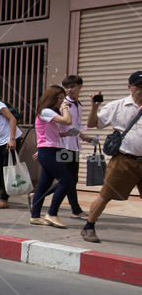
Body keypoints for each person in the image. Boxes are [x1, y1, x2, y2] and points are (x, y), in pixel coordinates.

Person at [81, 71, 142, 243]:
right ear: (130, 87)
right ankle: (89, 227)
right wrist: (94, 107)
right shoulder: (118, 105)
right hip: (123, 160)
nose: (141, 90)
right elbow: (93, 124)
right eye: (139, 87)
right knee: (106, 195)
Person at [41, 75, 93, 218]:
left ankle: (39, 195)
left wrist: (83, 137)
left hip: (74, 145)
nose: (69, 90)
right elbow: (56, 125)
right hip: (62, 145)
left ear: (80, 86)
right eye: (66, 87)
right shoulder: (63, 104)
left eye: (72, 87)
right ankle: (74, 210)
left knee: (71, 180)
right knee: (69, 180)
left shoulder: (79, 105)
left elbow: (74, 126)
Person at [28, 85, 73, 228]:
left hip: (50, 151)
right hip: (48, 152)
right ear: (52, 98)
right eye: (60, 98)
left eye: (62, 99)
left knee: (43, 186)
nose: (61, 101)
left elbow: (49, 133)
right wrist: (65, 107)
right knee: (67, 181)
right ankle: (52, 213)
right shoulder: (45, 111)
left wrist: (66, 134)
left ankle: (35, 216)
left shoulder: (49, 113)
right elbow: (67, 121)